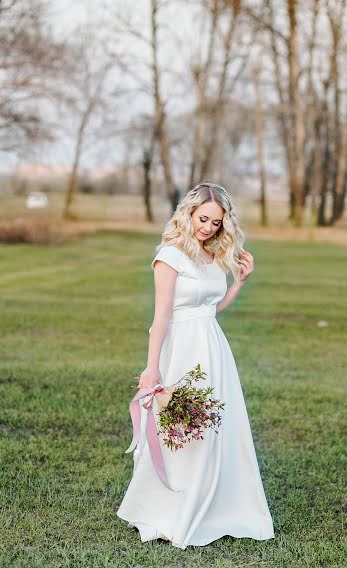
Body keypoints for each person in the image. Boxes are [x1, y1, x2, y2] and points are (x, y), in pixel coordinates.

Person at [117, 182, 274, 549]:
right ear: (188, 212)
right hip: (182, 351)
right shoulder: (169, 255)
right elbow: (162, 317)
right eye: (203, 219)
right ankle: (173, 507)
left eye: (216, 223)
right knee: (184, 425)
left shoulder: (211, 255)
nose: (208, 228)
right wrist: (152, 369)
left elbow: (208, 310)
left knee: (216, 425)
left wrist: (239, 283)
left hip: (214, 351)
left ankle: (220, 505)